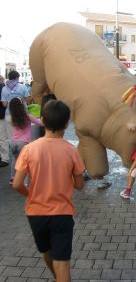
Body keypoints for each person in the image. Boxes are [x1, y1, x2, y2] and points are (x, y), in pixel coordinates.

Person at [12, 100, 85, 282]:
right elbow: (79, 185)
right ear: (67, 123)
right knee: (63, 263)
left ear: (43, 120)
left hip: (35, 213)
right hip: (62, 213)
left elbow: (17, 184)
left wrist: (31, 194)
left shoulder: (29, 149)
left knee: (46, 252)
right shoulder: (71, 151)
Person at [9, 97, 42, 185]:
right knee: (26, 163)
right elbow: (40, 123)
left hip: (12, 143)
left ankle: (12, 178)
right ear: (22, 106)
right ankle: (25, 182)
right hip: (23, 143)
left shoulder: (12, 117)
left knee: (15, 160)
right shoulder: (27, 117)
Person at [1, 70, 32, 138]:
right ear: (17, 78)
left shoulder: (4, 89)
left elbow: (4, 104)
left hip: (9, 115)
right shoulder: (23, 87)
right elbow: (28, 100)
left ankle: (12, 148)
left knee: (11, 137)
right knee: (23, 136)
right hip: (22, 114)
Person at [0, 75, 9, 167]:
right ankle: (4, 157)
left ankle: (4, 158)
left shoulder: (2, 87)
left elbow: (4, 103)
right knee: (2, 136)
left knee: (2, 137)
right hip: (2, 114)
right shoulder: (4, 87)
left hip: (1, 115)